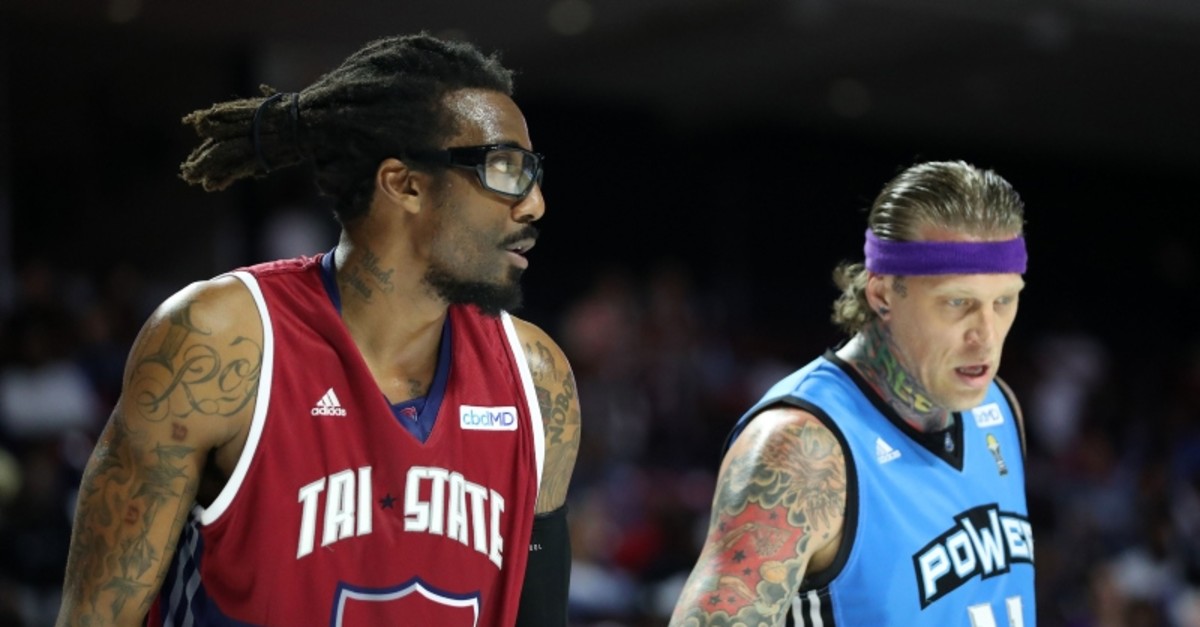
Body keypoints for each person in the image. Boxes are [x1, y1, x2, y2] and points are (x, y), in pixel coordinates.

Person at [55, 32, 580, 627]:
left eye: (531, 172)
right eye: (504, 169)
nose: (534, 203)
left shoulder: (538, 381)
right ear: (403, 183)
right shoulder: (223, 341)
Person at [670, 160, 1035, 626]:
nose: (985, 335)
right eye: (957, 303)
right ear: (882, 294)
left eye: (1003, 301)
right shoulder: (800, 448)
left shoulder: (999, 409)